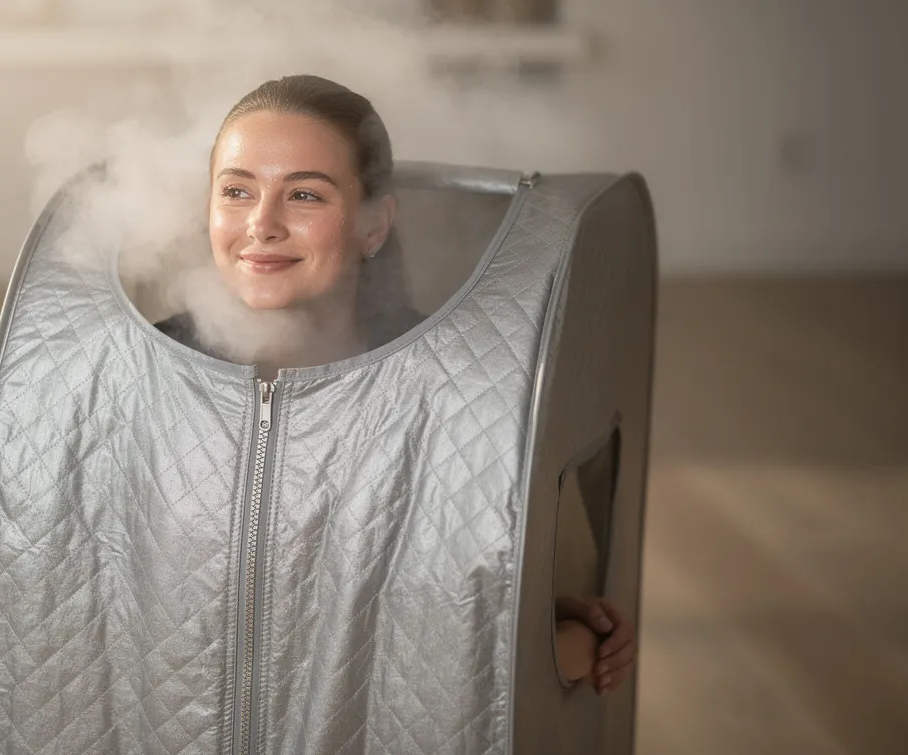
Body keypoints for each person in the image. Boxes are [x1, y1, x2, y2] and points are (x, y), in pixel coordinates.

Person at [154, 73, 637, 694]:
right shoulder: (142, 370)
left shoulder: (451, 385)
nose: (262, 224)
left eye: (304, 195)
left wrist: (536, 624)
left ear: (374, 225)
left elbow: (437, 607)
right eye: (237, 190)